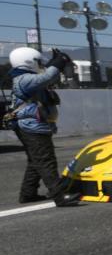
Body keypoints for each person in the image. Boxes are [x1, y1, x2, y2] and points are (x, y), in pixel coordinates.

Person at [6, 47, 80, 206]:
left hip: (30, 125)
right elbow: (48, 76)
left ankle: (28, 194)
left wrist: (54, 63)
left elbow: (47, 76)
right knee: (46, 160)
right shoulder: (24, 79)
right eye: (38, 62)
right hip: (32, 126)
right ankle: (60, 195)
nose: (41, 65)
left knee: (35, 160)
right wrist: (60, 62)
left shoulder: (25, 78)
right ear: (29, 62)